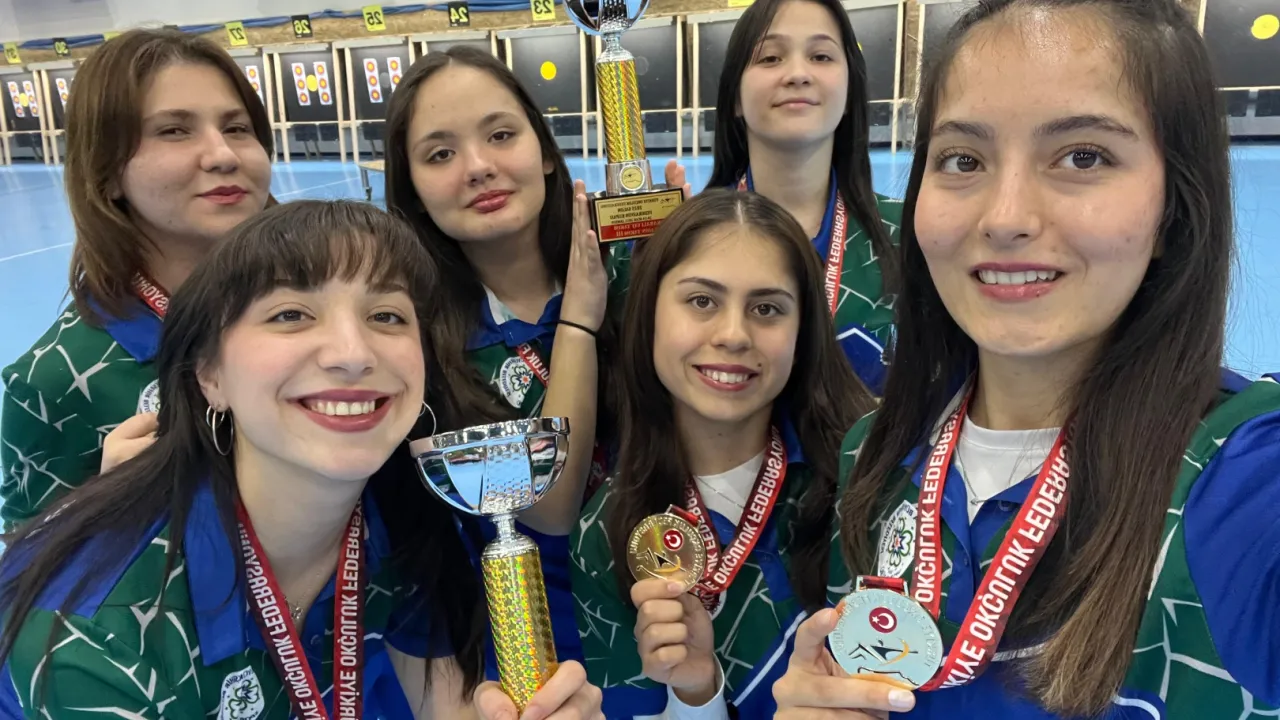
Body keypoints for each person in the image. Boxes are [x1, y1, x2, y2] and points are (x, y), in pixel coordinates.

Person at [771, 1, 1280, 718]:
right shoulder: (874, 456)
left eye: (1083, 156)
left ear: (1174, 205)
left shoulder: (1244, 478)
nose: (1005, 216)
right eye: (963, 160)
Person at [0, 201, 602, 720]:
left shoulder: (393, 517)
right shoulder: (97, 639)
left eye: (386, 316)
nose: (352, 353)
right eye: (290, 314)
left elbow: (449, 707)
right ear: (209, 374)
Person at [383, 46, 687, 667]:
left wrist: (683, 272)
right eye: (440, 154)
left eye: (500, 135)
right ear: (411, 189)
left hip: (689, 624)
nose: (478, 167)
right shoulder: (418, 345)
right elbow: (550, 509)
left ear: (546, 152)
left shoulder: (629, 271)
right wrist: (576, 324)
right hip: (550, 661)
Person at [571, 189, 876, 718]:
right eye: (702, 301)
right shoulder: (606, 532)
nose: (734, 335)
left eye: (766, 309)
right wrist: (695, 692)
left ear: (803, 330)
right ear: (649, 314)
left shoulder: (872, 476)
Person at [0, 28, 274, 531]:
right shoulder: (53, 380)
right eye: (174, 131)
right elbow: (27, 560)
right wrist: (108, 512)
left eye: (237, 127)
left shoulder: (337, 306)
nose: (223, 154)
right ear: (106, 172)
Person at [708, 0, 901, 392]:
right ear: (735, 98)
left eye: (821, 56)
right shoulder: (689, 241)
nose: (797, 74)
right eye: (770, 57)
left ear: (849, 90)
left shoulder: (912, 235)